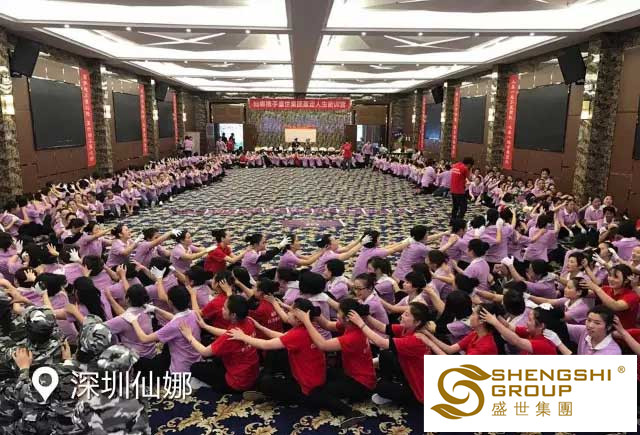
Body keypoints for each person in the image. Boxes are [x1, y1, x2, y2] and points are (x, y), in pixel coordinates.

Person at [348, 302, 437, 406]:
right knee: (386, 355)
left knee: (380, 387)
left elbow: (381, 342)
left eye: (406, 315)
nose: (402, 316)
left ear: (417, 322)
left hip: (420, 389)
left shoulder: (416, 339)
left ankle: (399, 394)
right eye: (403, 313)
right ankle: (392, 385)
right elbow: (383, 327)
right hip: (409, 372)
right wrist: (366, 316)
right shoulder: (406, 329)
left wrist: (361, 323)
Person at [450, 157, 474, 221]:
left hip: (453, 189)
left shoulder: (455, 165)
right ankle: (458, 221)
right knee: (463, 208)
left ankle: (452, 220)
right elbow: (470, 178)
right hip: (459, 191)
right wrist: (470, 169)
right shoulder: (465, 168)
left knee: (455, 206)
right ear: (469, 164)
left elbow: (460, 177)